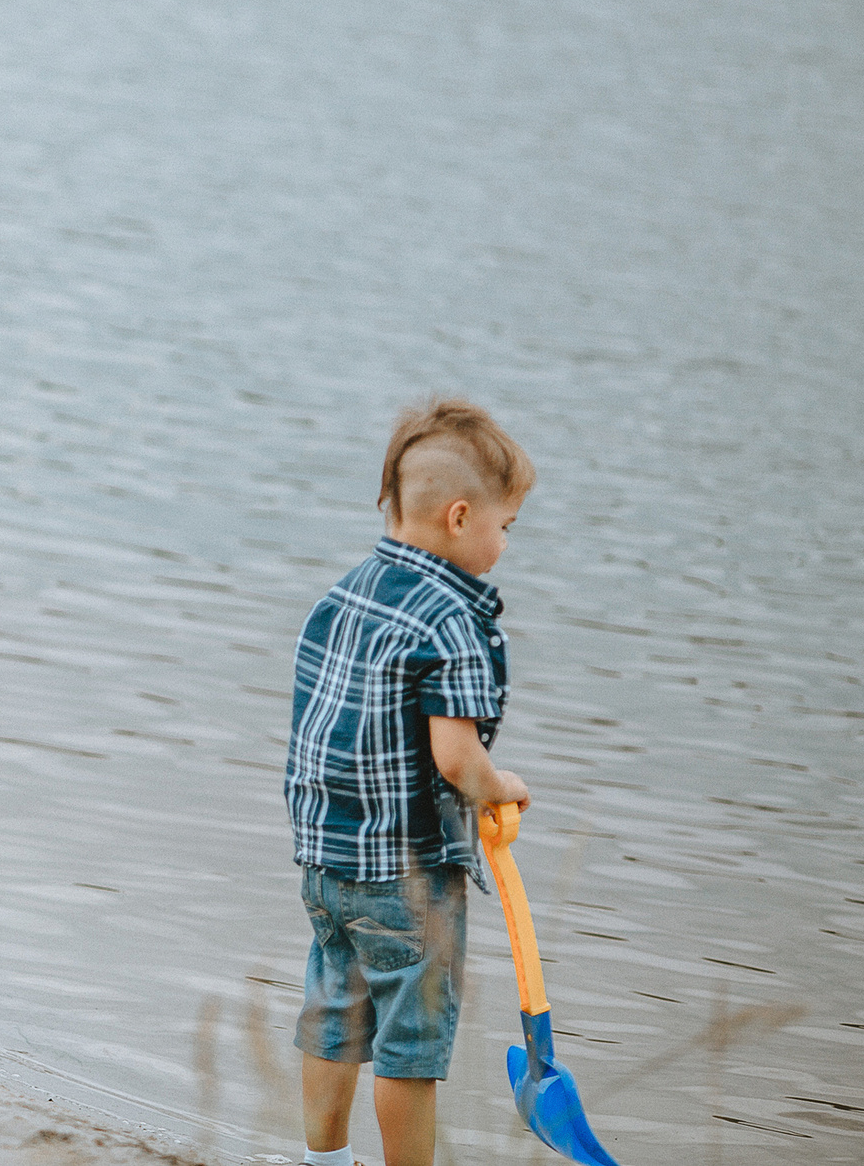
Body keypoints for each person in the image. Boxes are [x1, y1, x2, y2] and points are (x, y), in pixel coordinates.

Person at [283, 399, 536, 1166]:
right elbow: (455, 755)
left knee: (333, 1011)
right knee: (409, 1043)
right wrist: (498, 787)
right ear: (460, 517)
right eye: (507, 526)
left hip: (325, 856)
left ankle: (323, 1162)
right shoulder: (451, 620)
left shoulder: (346, 592)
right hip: (406, 872)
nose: (504, 543)